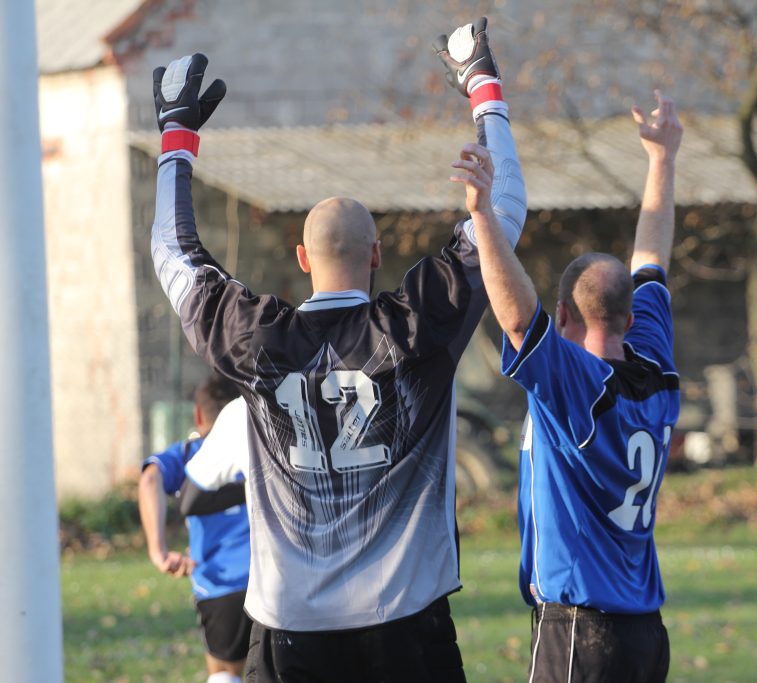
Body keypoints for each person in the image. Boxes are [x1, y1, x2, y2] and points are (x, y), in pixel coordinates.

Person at [147, 17, 525, 682]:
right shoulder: (416, 326)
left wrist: (177, 135)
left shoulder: (259, 339)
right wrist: (481, 84)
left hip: (292, 630)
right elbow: (507, 216)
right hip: (405, 622)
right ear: (376, 255)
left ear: (301, 258)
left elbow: (174, 255)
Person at [458, 90, 682, 682]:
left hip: (582, 631)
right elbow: (652, 258)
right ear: (632, 317)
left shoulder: (576, 385)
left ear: (561, 317)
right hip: (646, 634)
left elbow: (516, 319)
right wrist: (662, 160)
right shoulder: (657, 366)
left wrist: (483, 217)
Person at [138, 374, 252, 683]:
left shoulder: (190, 454)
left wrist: (159, 551)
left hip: (220, 584)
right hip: (272, 581)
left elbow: (149, 479)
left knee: (225, 673)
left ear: (199, 415)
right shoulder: (260, 445)